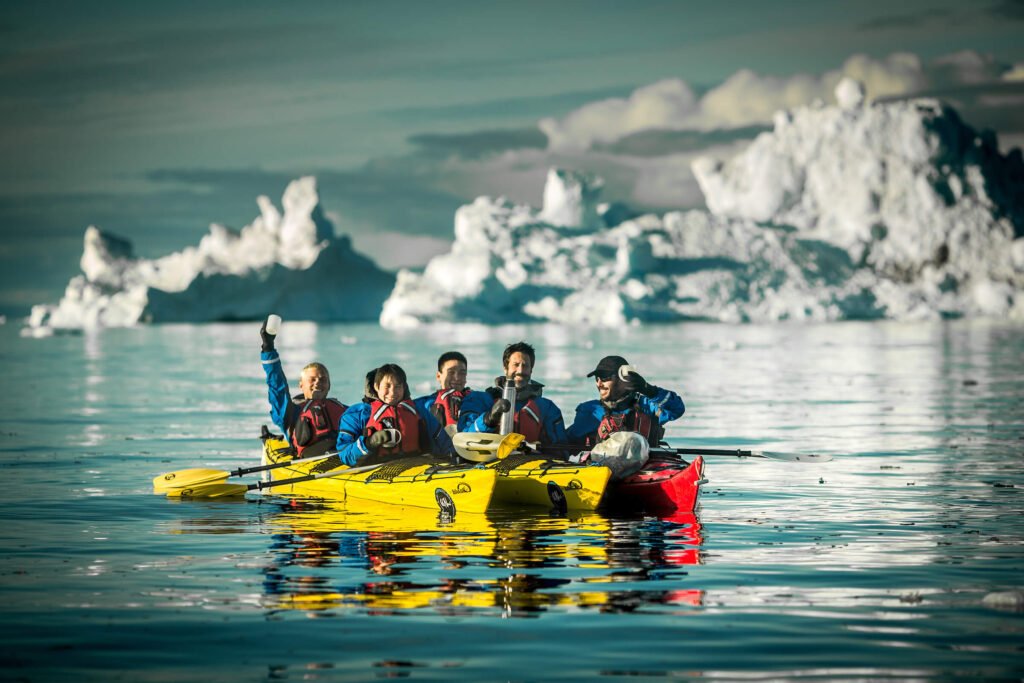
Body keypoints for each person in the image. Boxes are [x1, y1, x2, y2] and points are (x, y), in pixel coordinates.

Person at [335, 363, 456, 466]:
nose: (392, 392)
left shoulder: (420, 412)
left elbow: (444, 443)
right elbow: (345, 455)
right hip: (376, 470)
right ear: (376, 387)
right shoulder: (357, 415)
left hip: (419, 466)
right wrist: (369, 442)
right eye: (387, 386)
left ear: (404, 387)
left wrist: (453, 461)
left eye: (398, 386)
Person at [260, 320, 347, 457]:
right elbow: (277, 386)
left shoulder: (342, 408)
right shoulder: (290, 411)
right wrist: (268, 348)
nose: (318, 382)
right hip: (310, 461)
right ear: (301, 385)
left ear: (329, 385)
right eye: (312, 379)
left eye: (323, 379)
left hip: (342, 457)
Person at [459, 341, 567, 445]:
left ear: (531, 370)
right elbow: (464, 437)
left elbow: (561, 450)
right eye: (516, 364)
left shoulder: (547, 408)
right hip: (487, 460)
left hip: (530, 460)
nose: (520, 370)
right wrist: (489, 418)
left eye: (525, 366)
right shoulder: (479, 399)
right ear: (505, 368)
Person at [566, 355, 685, 447]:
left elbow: (677, 409)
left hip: (646, 469)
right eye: (597, 379)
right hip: (603, 470)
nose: (599, 383)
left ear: (622, 378)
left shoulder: (647, 405)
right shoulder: (590, 411)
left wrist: (649, 390)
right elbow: (565, 444)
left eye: (605, 378)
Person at [414, 351, 471, 433]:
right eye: (451, 372)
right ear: (438, 376)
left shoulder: (477, 399)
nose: (457, 378)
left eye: (462, 373)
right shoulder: (424, 405)